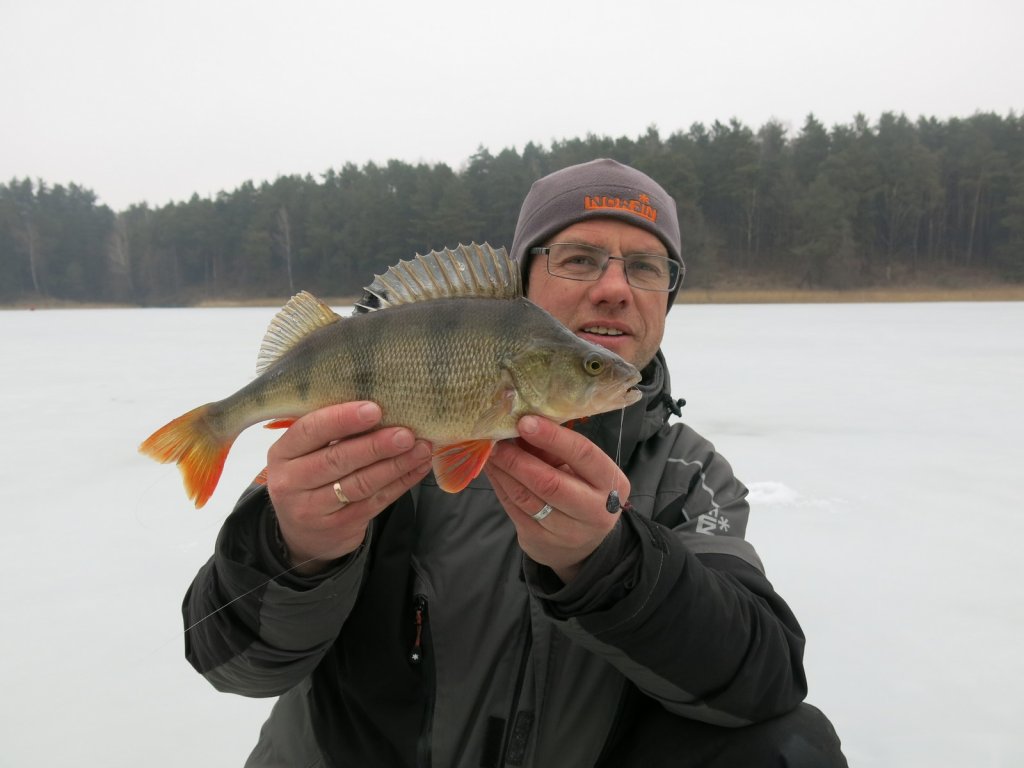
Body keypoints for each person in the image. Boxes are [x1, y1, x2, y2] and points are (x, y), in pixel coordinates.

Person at [183, 158, 847, 767]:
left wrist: (613, 567)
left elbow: (762, 680)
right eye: (580, 259)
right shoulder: (359, 453)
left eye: (646, 267)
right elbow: (227, 659)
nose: (616, 288)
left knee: (792, 750)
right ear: (525, 279)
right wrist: (295, 548)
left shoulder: (689, 478)